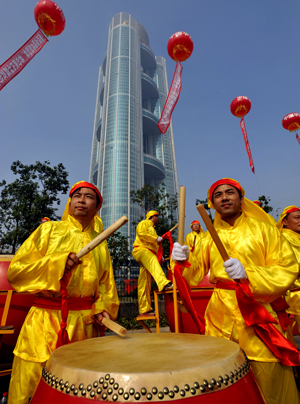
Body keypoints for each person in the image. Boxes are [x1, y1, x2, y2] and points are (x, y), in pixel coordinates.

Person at [172, 178, 300, 404]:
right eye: (218, 195)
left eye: (229, 193)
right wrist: (181, 261)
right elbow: (192, 275)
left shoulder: (265, 230)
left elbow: (287, 267)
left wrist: (249, 274)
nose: (224, 197)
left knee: (269, 378)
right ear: (213, 204)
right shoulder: (207, 238)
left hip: (260, 313)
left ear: (241, 199)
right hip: (220, 315)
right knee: (222, 378)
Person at [7, 181, 119, 404]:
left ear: (97, 208)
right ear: (70, 202)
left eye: (89, 197)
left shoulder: (101, 243)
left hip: (84, 326)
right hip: (44, 321)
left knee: (80, 386)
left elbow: (106, 286)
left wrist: (103, 309)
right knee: (33, 383)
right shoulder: (49, 230)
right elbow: (16, 273)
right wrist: (56, 264)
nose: (81, 199)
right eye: (77, 195)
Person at [132, 210, 172, 315]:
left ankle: (144, 308)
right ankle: (163, 283)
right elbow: (141, 234)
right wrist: (155, 238)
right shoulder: (144, 223)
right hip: (140, 250)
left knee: (144, 281)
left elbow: (154, 245)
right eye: (157, 216)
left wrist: (161, 257)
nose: (158, 219)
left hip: (147, 252)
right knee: (152, 259)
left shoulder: (153, 229)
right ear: (152, 216)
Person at [277, 206, 300, 333]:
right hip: (295, 293)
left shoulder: (296, 237)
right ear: (285, 222)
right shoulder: (287, 238)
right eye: (297, 218)